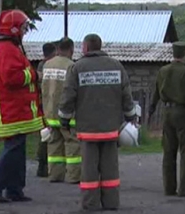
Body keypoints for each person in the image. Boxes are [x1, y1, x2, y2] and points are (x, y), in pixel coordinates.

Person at [57, 34, 136, 211]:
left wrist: (64, 119)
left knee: (89, 170)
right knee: (110, 170)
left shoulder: (77, 68)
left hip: (88, 129)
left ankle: (90, 204)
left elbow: (68, 96)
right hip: (111, 129)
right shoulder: (117, 66)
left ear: (85, 47)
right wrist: (131, 118)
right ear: (100, 46)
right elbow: (126, 96)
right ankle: (111, 203)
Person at [0, 9, 45, 203]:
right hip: (12, 109)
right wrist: (34, 75)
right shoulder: (7, 49)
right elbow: (12, 78)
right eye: (24, 27)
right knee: (13, 150)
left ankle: (14, 190)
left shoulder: (4, 47)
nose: (25, 31)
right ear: (15, 28)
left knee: (18, 149)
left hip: (13, 108)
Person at [149, 42, 185, 198]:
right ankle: (184, 189)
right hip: (183, 112)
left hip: (167, 112)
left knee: (169, 151)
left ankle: (169, 188)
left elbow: (156, 92)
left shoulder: (163, 71)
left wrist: (152, 109)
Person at [42, 37, 81, 183]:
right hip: (67, 114)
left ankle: (55, 175)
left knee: (53, 145)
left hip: (50, 112)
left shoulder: (47, 65)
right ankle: (73, 176)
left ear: (58, 49)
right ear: (71, 50)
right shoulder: (72, 66)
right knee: (72, 144)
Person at [36, 42, 57, 178]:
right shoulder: (48, 66)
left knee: (45, 134)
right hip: (49, 103)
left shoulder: (40, 66)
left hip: (42, 103)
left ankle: (43, 165)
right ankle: (44, 164)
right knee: (48, 135)